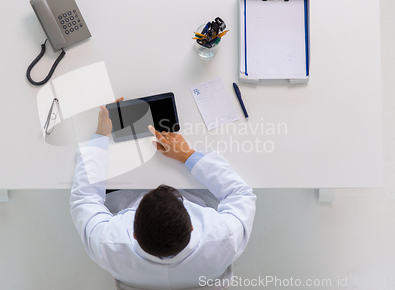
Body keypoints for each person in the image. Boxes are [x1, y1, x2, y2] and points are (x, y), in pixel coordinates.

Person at [70, 98, 257, 289]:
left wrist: (101, 135)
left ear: (133, 233)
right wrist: (187, 154)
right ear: (192, 227)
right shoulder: (223, 239)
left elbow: (84, 199)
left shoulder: (108, 244)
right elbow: (240, 194)